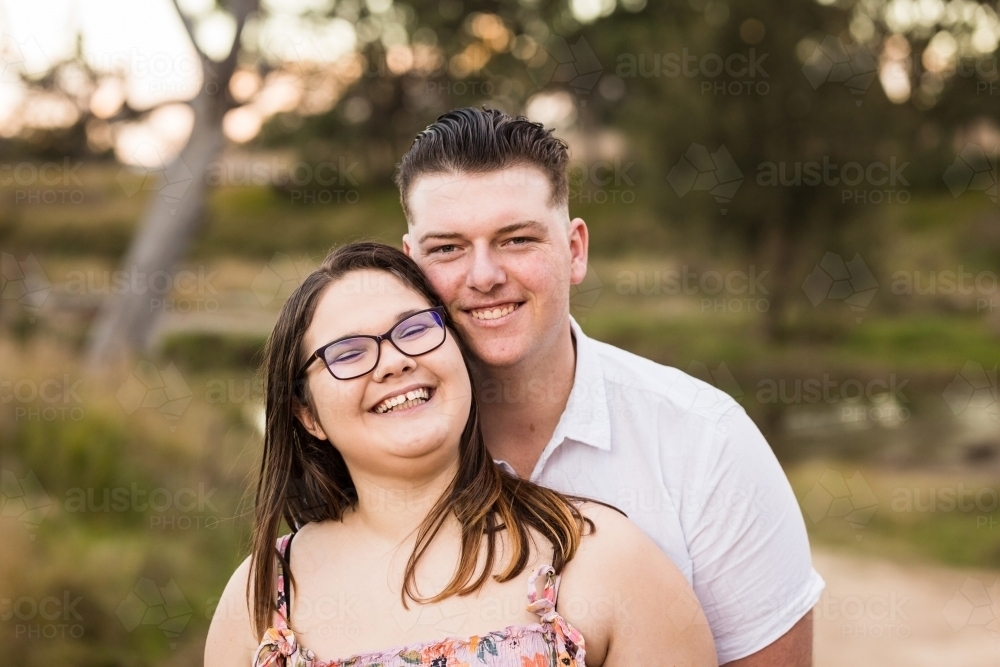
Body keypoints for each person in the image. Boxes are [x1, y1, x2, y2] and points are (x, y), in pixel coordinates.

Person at [397, 107, 826, 666]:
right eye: (448, 248)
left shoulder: (706, 443)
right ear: (410, 266)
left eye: (517, 239)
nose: (483, 276)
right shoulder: (371, 449)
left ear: (575, 250)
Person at [204, 242, 717, 667]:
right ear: (306, 414)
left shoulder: (596, 557)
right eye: (349, 353)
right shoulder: (262, 598)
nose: (394, 362)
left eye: (414, 329)